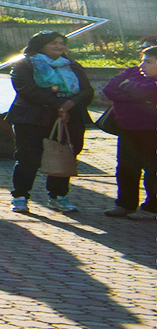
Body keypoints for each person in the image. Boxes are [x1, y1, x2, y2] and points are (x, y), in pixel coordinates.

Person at [8, 31, 92, 213]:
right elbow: (27, 89)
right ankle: (20, 196)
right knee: (28, 157)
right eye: (53, 43)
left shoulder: (72, 66)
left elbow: (86, 90)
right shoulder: (24, 64)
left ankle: (58, 196)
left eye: (62, 43)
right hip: (33, 118)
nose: (59, 46)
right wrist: (58, 105)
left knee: (64, 154)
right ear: (40, 45)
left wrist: (70, 103)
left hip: (69, 117)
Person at [99, 48, 157, 219]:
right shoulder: (133, 72)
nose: (142, 65)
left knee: (153, 169)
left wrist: (128, 88)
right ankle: (125, 204)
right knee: (126, 167)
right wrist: (134, 94)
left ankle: (152, 208)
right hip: (127, 129)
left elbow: (150, 92)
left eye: (149, 62)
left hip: (152, 131)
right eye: (142, 60)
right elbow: (110, 89)